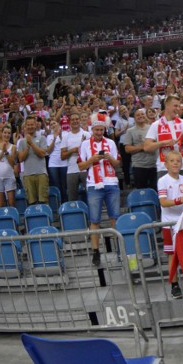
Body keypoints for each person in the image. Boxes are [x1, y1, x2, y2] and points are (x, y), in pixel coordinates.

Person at [77, 118, 121, 266]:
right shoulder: (84, 144)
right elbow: (81, 166)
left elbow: (117, 164)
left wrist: (109, 157)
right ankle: (96, 251)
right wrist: (92, 160)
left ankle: (119, 248)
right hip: (93, 184)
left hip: (111, 183)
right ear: (92, 130)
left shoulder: (111, 143)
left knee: (115, 217)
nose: (99, 132)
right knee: (94, 219)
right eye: (97, 130)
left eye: (101, 130)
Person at [158, 151, 183, 299]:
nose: (176, 163)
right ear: (166, 164)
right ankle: (174, 285)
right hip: (169, 223)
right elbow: (163, 202)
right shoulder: (163, 180)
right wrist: (180, 200)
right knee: (172, 255)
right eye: (172, 161)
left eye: (178, 160)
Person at [143, 95, 183, 179]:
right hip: (164, 168)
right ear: (167, 105)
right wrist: (164, 142)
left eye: (179, 106)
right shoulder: (156, 125)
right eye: (175, 106)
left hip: (182, 166)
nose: (177, 108)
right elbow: (147, 147)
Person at [17, 115, 49, 205]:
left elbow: (42, 154)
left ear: (36, 125)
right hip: (28, 175)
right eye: (28, 125)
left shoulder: (42, 138)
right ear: (25, 126)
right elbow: (21, 158)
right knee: (31, 202)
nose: (30, 127)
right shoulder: (22, 142)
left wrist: (31, 143)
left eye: (32, 124)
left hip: (41, 173)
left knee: (43, 201)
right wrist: (27, 145)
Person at [123, 109, 157, 190]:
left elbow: (157, 143)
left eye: (142, 114)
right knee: (142, 191)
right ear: (134, 118)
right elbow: (127, 149)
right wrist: (143, 147)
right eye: (138, 115)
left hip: (154, 165)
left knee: (155, 191)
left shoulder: (153, 128)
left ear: (145, 116)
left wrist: (150, 146)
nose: (140, 116)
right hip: (139, 166)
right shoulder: (130, 131)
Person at [61, 113, 91, 202]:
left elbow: (91, 152)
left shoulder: (87, 134)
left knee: (91, 196)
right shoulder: (65, 136)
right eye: (73, 119)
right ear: (70, 122)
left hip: (86, 169)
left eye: (77, 119)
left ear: (80, 120)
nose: (75, 121)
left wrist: (83, 149)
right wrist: (72, 151)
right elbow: (62, 156)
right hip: (71, 170)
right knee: (72, 198)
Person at [0, 124, 17, 208]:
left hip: (9, 176)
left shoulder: (13, 147)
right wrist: (2, 152)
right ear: (2, 133)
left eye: (9, 133)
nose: (7, 135)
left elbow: (12, 163)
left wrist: (6, 152)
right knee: (0, 204)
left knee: (11, 202)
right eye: (5, 132)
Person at [46, 119, 68, 204]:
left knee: (64, 185)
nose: (53, 125)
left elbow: (66, 146)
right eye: (51, 124)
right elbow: (49, 151)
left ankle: (65, 203)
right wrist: (54, 139)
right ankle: (58, 204)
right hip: (53, 164)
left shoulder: (66, 134)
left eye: (54, 123)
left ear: (58, 124)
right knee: (56, 185)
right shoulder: (49, 137)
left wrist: (60, 135)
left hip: (64, 162)